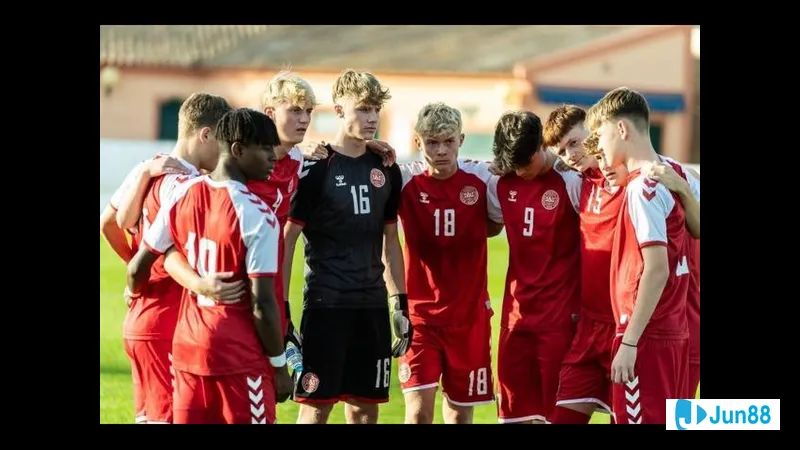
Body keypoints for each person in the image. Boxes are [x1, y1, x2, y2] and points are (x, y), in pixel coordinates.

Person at [126, 108, 293, 424]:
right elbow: (263, 303)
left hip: (188, 352)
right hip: (240, 355)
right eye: (265, 147)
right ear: (238, 150)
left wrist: (134, 295)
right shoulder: (258, 215)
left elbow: (138, 267)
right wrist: (279, 365)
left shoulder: (181, 193)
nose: (273, 157)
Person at [542, 105, 700, 424]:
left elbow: (659, 266)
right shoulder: (579, 183)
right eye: (562, 150)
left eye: (578, 142)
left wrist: (683, 187)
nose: (571, 155)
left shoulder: (660, 177)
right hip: (601, 328)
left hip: (658, 325)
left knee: (681, 418)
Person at [282, 68, 406, 424]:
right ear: (338, 110)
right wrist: (284, 304)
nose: (371, 118)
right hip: (325, 306)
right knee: (316, 406)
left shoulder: (386, 167)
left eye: (376, 109)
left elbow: (391, 241)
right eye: (363, 109)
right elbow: (288, 240)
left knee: (366, 409)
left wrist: (400, 302)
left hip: (372, 306)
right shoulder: (314, 168)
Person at [101, 92, 233, 424]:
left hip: (142, 319)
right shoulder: (190, 185)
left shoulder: (148, 167)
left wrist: (137, 275)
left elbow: (109, 224)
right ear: (205, 134)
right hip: (168, 323)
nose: (224, 153)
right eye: (222, 141)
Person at [386, 102, 504, 424]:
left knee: (458, 417)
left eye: (448, 141)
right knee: (418, 413)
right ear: (417, 141)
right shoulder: (403, 180)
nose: (440, 150)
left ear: (461, 140)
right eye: (432, 142)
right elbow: (385, 234)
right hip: (420, 318)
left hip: (469, 319)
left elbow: (496, 223)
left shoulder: (482, 178)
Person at [584, 87, 691, 425]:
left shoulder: (641, 188)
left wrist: (629, 341)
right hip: (673, 332)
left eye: (600, 134)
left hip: (645, 333)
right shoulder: (674, 175)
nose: (598, 146)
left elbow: (656, 270)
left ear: (621, 130)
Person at [487, 110, 583, 424]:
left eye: (526, 162)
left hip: (559, 323)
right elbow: (438, 165)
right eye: (513, 164)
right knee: (514, 417)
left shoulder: (571, 180)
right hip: (514, 322)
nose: (520, 171)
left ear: (542, 144)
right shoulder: (497, 181)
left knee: (555, 416)